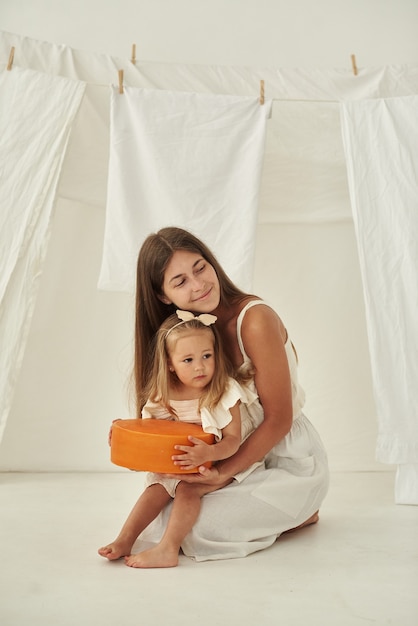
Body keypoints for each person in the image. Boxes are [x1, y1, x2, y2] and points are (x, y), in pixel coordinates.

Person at [107, 226, 329, 563]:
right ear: (164, 296)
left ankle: (301, 510)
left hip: (282, 459)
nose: (198, 285)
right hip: (225, 458)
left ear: (212, 263)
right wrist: (131, 437)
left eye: (200, 268)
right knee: (165, 521)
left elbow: (279, 419)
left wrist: (222, 475)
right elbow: (171, 415)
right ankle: (270, 514)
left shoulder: (253, 321)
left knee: (198, 533)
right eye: (180, 281)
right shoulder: (188, 336)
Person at [98, 311, 263, 568]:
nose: (200, 366)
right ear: (170, 363)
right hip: (177, 464)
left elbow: (233, 440)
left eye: (206, 356)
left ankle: (168, 548)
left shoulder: (224, 391)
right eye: (188, 359)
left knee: (187, 490)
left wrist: (209, 454)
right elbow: (150, 434)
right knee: (155, 489)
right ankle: (124, 539)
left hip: (221, 463)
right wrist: (124, 436)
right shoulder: (163, 395)